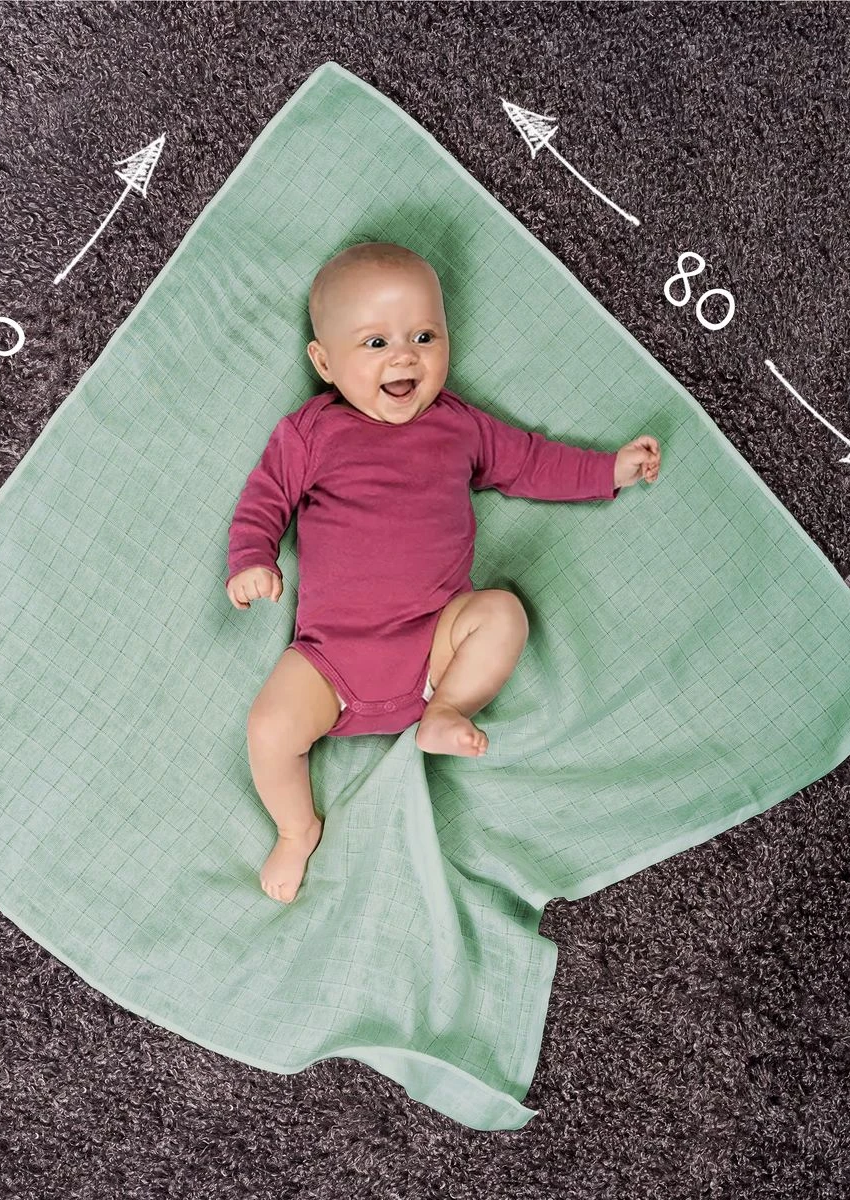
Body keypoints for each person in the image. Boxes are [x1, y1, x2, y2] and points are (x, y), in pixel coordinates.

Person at [226, 242, 661, 903]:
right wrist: (252, 559)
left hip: (436, 647)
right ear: (325, 363)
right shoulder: (312, 433)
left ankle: (447, 711)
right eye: (375, 343)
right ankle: (295, 827)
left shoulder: (459, 426)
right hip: (331, 660)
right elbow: (265, 498)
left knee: (503, 613)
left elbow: (531, 462)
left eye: (424, 336)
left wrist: (608, 471)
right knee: (269, 729)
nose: (405, 357)